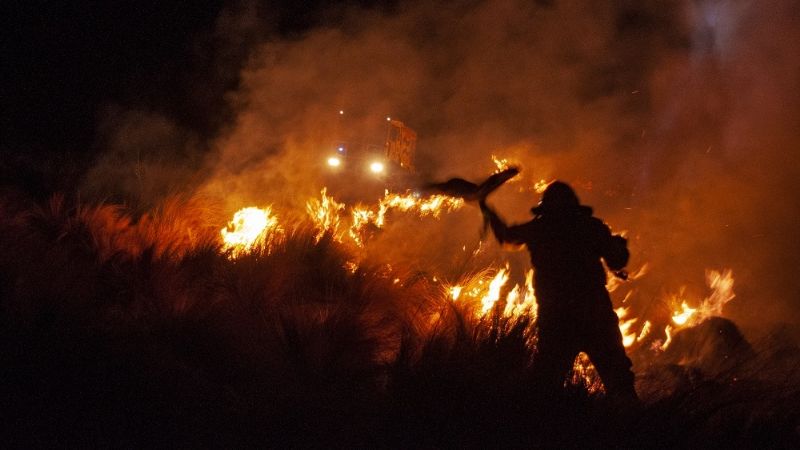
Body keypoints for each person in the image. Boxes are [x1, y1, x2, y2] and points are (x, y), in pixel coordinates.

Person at [479, 181, 638, 402]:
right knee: (619, 382)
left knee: (547, 385)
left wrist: (485, 206)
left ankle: (546, 430)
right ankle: (633, 431)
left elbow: (506, 236)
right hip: (594, 315)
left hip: (557, 318)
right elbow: (618, 259)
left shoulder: (540, 228)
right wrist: (619, 246)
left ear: (546, 209)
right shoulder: (591, 227)